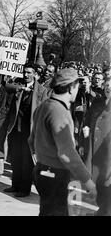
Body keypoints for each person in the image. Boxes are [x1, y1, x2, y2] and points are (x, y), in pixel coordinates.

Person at [29, 68, 96, 216]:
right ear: (71, 87)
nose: (78, 90)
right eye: (77, 86)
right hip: (55, 175)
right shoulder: (58, 111)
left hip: (42, 171)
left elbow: (31, 141)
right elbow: (67, 153)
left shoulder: (44, 106)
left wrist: (41, 162)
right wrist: (87, 180)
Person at [2, 64, 47, 197]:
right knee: (15, 158)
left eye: (29, 73)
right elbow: (6, 85)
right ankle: (15, 185)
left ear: (35, 74)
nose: (26, 75)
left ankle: (24, 188)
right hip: (16, 128)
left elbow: (44, 111)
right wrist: (22, 88)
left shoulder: (42, 90)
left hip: (30, 130)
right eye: (24, 72)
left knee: (27, 161)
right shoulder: (19, 85)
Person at [89, 79, 111, 215]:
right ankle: (102, 209)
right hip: (97, 150)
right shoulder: (99, 102)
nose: (108, 88)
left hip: (109, 154)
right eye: (107, 86)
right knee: (98, 182)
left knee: (106, 184)